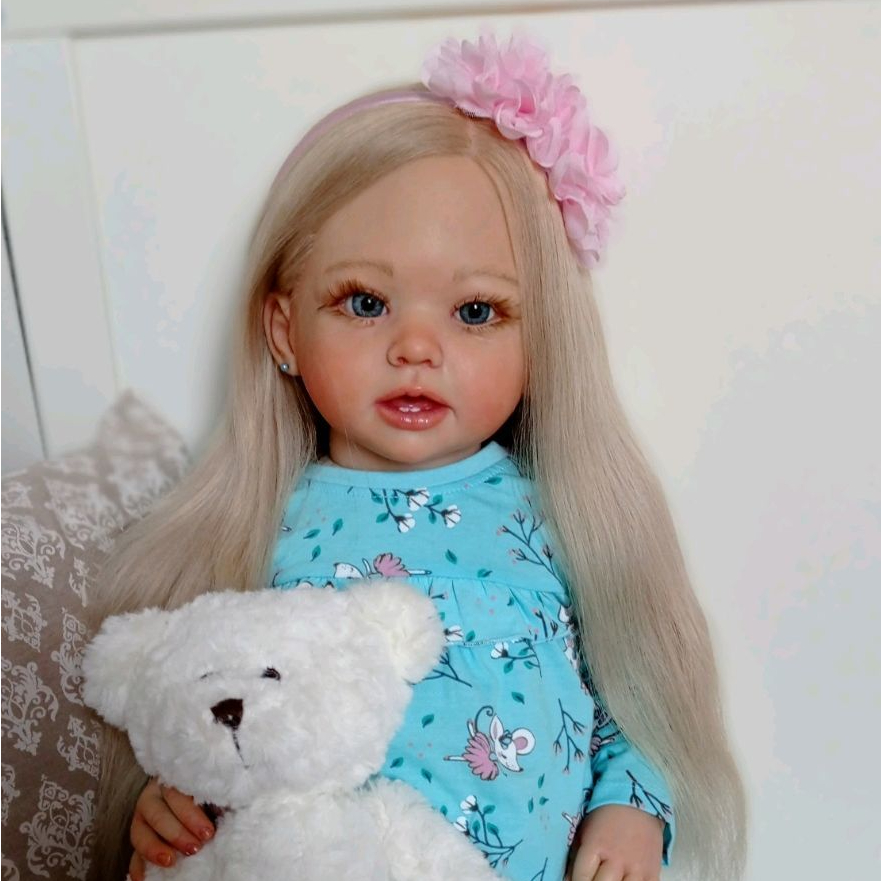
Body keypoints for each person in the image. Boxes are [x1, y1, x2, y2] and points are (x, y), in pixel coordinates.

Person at [87, 32, 746, 881]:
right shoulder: (260, 532)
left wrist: (632, 808)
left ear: (541, 336)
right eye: (365, 302)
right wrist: (174, 805)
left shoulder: (559, 515)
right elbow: (224, 718)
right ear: (284, 329)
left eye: (475, 312)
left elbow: (633, 696)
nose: (415, 348)